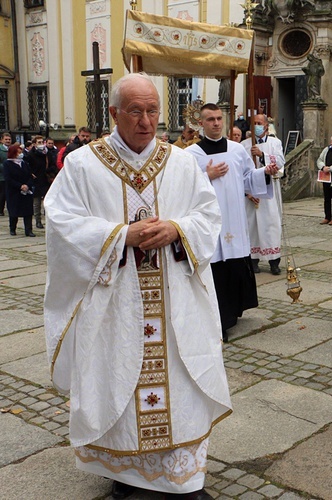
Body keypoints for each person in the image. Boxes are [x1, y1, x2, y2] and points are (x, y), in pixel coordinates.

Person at [43, 73, 232, 500]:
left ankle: (184, 477)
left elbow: (208, 215)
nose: (146, 121)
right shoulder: (82, 164)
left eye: (152, 111)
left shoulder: (182, 162)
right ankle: (127, 475)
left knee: (180, 385)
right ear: (113, 113)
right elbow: (61, 223)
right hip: (115, 303)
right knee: (118, 383)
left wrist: (177, 228)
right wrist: (118, 236)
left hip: (175, 300)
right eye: (135, 111)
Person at [186, 103, 278, 339]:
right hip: (210, 222)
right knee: (216, 267)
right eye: (210, 119)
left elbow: (248, 178)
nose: (216, 123)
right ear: (201, 123)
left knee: (235, 264)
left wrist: (264, 173)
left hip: (235, 219)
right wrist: (208, 175)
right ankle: (220, 319)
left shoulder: (237, 150)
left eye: (218, 118)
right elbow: (184, 190)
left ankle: (235, 310)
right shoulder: (191, 155)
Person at [241, 113, 285, 275]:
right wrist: (247, 192)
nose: (257, 126)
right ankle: (253, 260)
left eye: (259, 123)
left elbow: (280, 162)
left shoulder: (275, 142)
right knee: (251, 225)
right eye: (254, 123)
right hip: (252, 191)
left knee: (270, 225)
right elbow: (242, 170)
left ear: (266, 125)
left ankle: (274, 261)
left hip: (269, 190)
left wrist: (262, 155)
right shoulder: (244, 145)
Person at [3, 143, 35, 236]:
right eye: (18, 153)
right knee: (14, 211)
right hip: (14, 191)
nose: (20, 154)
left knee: (28, 211)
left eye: (21, 152)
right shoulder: (7, 164)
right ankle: (13, 228)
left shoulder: (24, 163)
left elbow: (30, 175)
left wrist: (27, 185)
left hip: (26, 190)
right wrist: (20, 186)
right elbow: (8, 178)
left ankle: (28, 230)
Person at [27, 135, 54, 229]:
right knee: (37, 202)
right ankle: (38, 221)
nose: (41, 144)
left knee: (48, 201)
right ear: (34, 144)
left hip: (46, 179)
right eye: (39, 142)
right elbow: (27, 166)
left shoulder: (47, 154)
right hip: (36, 180)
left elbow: (52, 165)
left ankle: (48, 219)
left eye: (42, 142)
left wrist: (49, 172)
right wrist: (31, 174)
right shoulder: (31, 154)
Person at [315, 133, 332, 225]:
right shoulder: (326, 150)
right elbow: (319, 160)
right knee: (326, 198)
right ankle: (327, 217)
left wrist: (330, 168)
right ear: (331, 141)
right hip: (326, 178)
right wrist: (323, 167)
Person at [0, 132, 10, 216]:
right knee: (2, 193)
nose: (8, 141)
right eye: (6, 139)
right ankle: (1, 209)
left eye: (9, 139)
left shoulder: (12, 148)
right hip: (2, 175)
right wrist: (6, 167)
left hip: (12, 175)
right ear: (1, 140)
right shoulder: (0, 150)